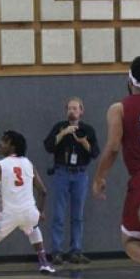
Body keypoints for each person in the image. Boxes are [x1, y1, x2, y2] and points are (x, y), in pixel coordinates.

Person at [93, 55, 140, 270]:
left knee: (132, 242)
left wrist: (100, 177)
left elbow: (113, 147)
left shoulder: (119, 109)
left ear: (129, 80)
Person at [0, 131, 55, 279]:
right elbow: (43, 191)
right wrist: (40, 212)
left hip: (9, 214)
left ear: (13, 146)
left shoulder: (0, 165)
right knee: (34, 227)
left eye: (4, 141)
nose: (0, 144)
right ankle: (43, 262)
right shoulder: (29, 163)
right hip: (30, 212)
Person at [43, 97, 100, 265]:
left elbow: (95, 152)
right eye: (69, 108)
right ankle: (57, 252)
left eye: (75, 108)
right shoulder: (59, 127)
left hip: (80, 174)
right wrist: (62, 134)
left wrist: (84, 143)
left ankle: (76, 250)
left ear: (81, 111)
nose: (72, 111)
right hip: (62, 172)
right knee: (59, 214)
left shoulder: (88, 130)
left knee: (77, 215)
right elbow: (48, 146)